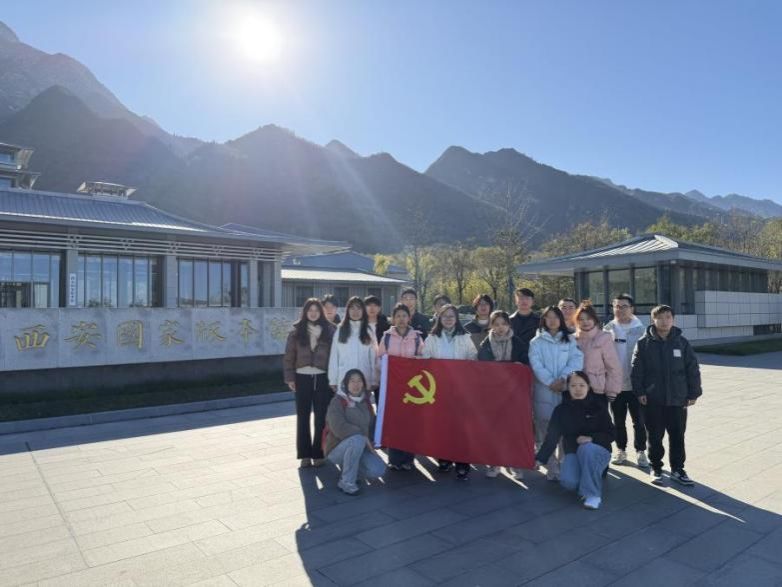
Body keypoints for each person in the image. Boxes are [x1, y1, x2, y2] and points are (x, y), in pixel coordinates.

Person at [631, 304, 702, 487]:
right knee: (655, 436)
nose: (664, 321)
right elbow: (636, 370)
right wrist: (640, 392)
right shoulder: (644, 343)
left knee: (677, 436)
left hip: (678, 399)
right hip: (652, 399)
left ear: (673, 320)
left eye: (668, 317)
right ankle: (656, 468)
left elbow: (693, 369)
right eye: (660, 318)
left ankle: (678, 469)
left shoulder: (682, 343)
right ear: (653, 320)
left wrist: (694, 392)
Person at [535, 371, 616, 510]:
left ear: (588, 387)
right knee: (569, 482)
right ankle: (589, 477)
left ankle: (593, 495)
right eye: (573, 386)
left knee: (587, 448)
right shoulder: (561, 410)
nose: (578, 389)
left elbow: (612, 434)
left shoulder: (598, 406)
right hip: (574, 452)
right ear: (568, 387)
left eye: (582, 385)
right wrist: (540, 458)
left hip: (598, 451)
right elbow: (552, 437)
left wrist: (592, 438)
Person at [422, 303, 478, 480]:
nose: (448, 319)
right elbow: (424, 360)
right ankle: (444, 458)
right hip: (438, 389)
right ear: (439, 318)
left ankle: (462, 462)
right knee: (443, 425)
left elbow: (473, 358)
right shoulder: (432, 338)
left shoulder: (465, 337)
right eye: (444, 316)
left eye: (451, 316)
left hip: (460, 389)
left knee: (461, 427)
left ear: (456, 319)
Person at [528, 306, 584, 481]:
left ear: (561, 320)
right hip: (544, 391)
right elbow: (536, 364)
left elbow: (577, 360)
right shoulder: (536, 342)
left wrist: (563, 379)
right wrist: (550, 382)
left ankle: (564, 464)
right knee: (545, 431)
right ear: (543, 320)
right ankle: (551, 467)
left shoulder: (570, 339)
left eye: (555, 317)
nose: (552, 320)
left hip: (564, 390)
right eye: (548, 317)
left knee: (565, 430)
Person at [283, 298, 336, 468]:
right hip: (302, 377)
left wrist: (334, 378)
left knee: (321, 417)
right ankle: (305, 455)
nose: (313, 313)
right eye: (310, 310)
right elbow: (289, 356)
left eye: (316, 310)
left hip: (322, 378)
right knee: (303, 417)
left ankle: (318, 453)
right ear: (305, 312)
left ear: (321, 312)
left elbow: (334, 356)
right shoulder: (296, 331)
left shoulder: (330, 330)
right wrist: (290, 378)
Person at [478, 310, 529, 479]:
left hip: (514, 393)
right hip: (493, 393)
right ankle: (494, 462)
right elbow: (483, 366)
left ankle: (514, 462)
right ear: (491, 326)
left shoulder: (518, 342)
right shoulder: (486, 343)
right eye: (496, 324)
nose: (500, 327)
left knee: (513, 428)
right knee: (494, 428)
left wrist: (519, 365)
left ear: (509, 325)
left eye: (504, 324)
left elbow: (526, 362)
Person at [377, 302, 425, 471]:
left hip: (413, 388)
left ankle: (408, 459)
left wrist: (414, 362)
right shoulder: (387, 337)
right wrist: (389, 367)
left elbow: (424, 359)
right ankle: (395, 459)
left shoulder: (417, 337)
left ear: (409, 318)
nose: (401, 319)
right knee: (395, 422)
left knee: (411, 423)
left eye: (404, 315)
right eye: (398, 316)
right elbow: (379, 359)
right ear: (393, 319)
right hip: (393, 387)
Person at [324, 369, 386, 495]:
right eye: (352, 381)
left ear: (363, 384)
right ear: (346, 384)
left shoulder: (365, 402)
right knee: (357, 439)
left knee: (378, 470)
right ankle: (347, 482)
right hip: (337, 448)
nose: (356, 384)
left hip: (360, 447)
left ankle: (350, 468)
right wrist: (362, 435)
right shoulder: (337, 401)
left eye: (359, 381)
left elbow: (372, 425)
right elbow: (338, 427)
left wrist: (375, 440)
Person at [604, 294, 649, 468]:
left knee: (639, 421)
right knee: (618, 421)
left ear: (632, 309)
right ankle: (621, 450)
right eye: (617, 306)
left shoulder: (642, 330)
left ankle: (641, 451)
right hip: (615, 385)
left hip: (636, 386)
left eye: (624, 306)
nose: (620, 309)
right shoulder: (607, 329)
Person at [573, 302, 622, 402]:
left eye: (588, 318)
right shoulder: (572, 339)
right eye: (581, 319)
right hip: (576, 389)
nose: (585, 322)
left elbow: (613, 366)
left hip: (597, 389)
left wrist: (612, 390)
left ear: (594, 319)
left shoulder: (604, 337)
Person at [328, 296, 378, 392]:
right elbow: (334, 356)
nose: (355, 311)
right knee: (345, 401)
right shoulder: (340, 329)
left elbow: (374, 358)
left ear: (363, 311)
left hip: (364, 377)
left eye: (358, 308)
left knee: (363, 401)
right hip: (344, 377)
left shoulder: (369, 330)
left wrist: (374, 380)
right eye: (352, 308)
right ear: (348, 311)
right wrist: (333, 379)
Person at [509, 287, 539, 364]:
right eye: (521, 298)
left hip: (534, 361)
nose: (524, 301)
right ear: (516, 301)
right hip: (513, 362)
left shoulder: (540, 321)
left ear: (532, 301)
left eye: (527, 298)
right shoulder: (508, 321)